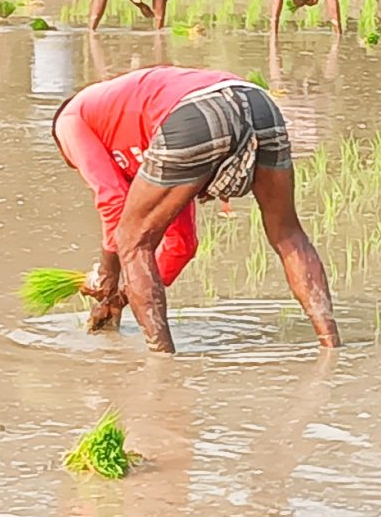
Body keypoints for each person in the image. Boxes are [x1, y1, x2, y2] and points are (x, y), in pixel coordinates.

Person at [51, 65, 340, 353]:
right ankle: (331, 346)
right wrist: (119, 298)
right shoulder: (139, 136)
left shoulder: (69, 120)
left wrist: (105, 273)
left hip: (193, 112)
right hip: (257, 101)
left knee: (131, 240)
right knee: (287, 232)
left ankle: (161, 364)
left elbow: (113, 202)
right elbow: (181, 245)